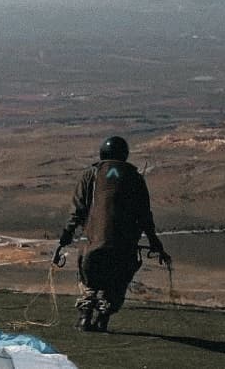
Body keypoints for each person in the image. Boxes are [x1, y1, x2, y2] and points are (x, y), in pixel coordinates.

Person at [57, 135, 170, 333]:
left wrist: (66, 236)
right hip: (124, 248)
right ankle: (103, 318)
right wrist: (155, 244)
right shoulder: (135, 178)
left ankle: (85, 318)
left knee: (88, 281)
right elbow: (145, 217)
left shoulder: (91, 175)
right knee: (117, 284)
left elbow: (77, 211)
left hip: (94, 246)